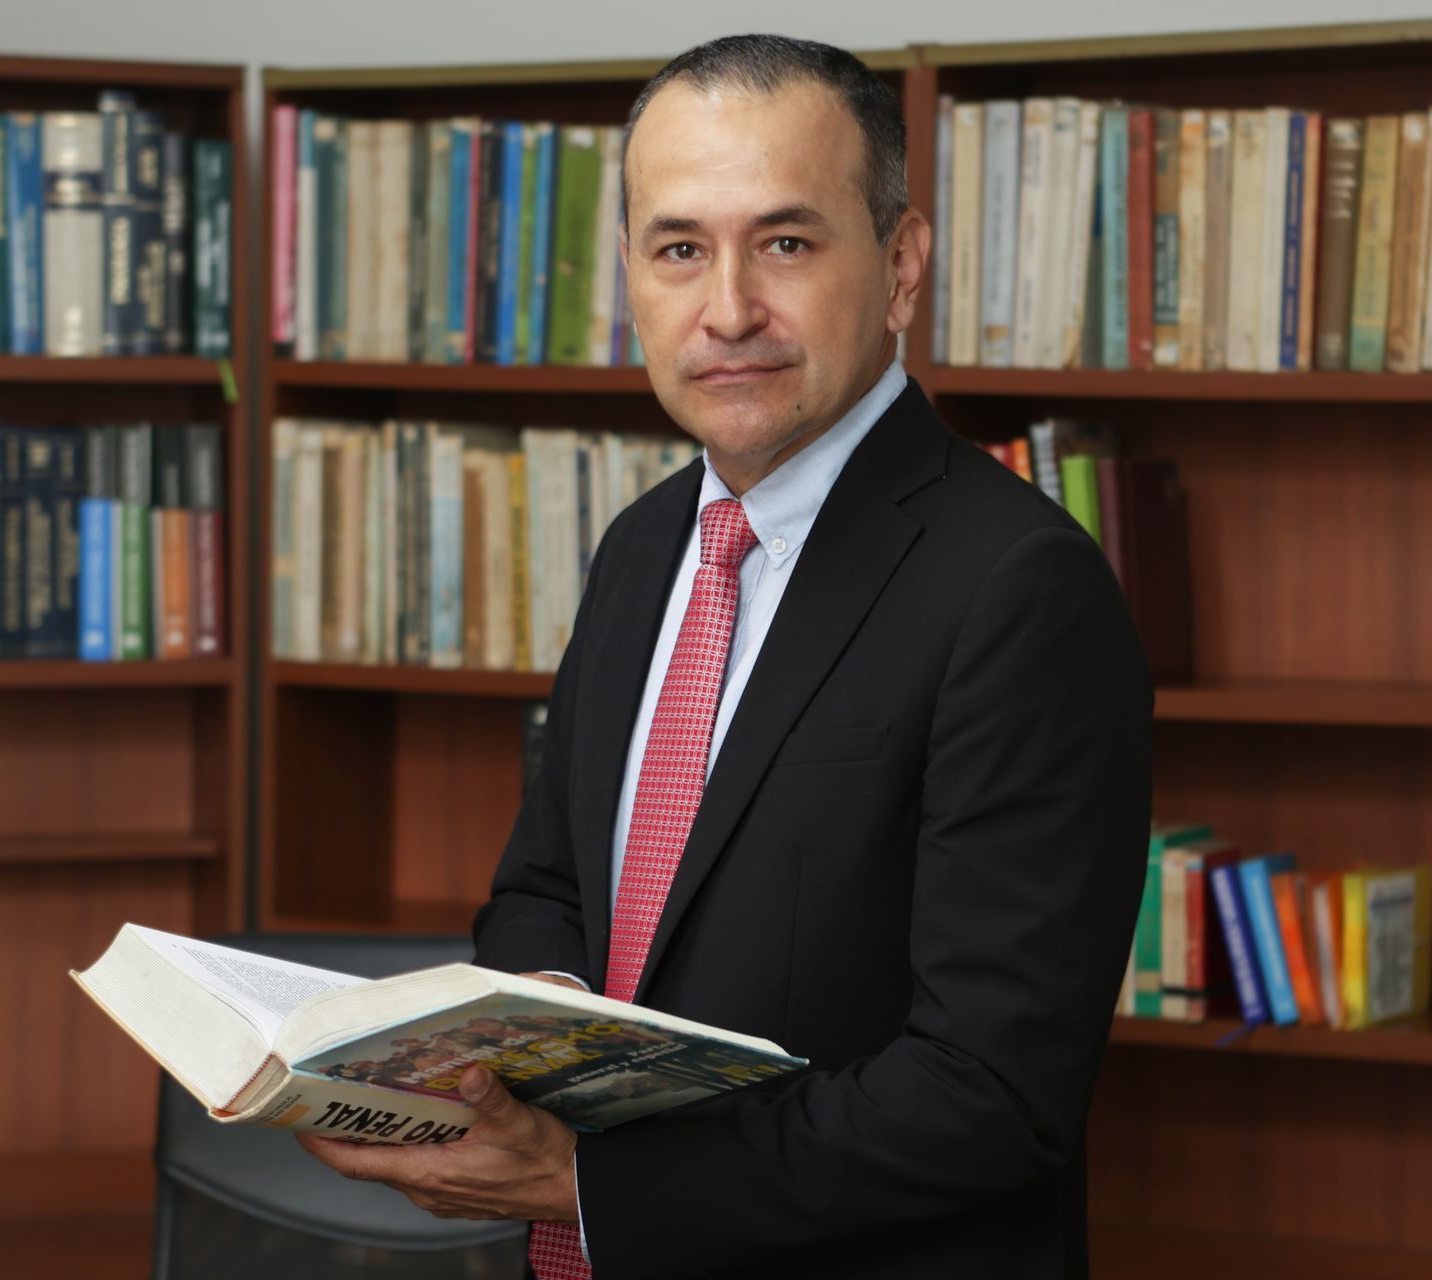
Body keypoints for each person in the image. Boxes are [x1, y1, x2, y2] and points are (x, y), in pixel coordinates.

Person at [298, 33, 1152, 1279]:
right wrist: (508, 1053)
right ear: (633, 275)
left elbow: (991, 1089)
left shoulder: (1021, 586)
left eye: (787, 243)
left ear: (901, 265)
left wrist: (584, 1177)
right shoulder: (646, 544)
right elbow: (548, 881)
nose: (730, 308)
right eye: (680, 248)